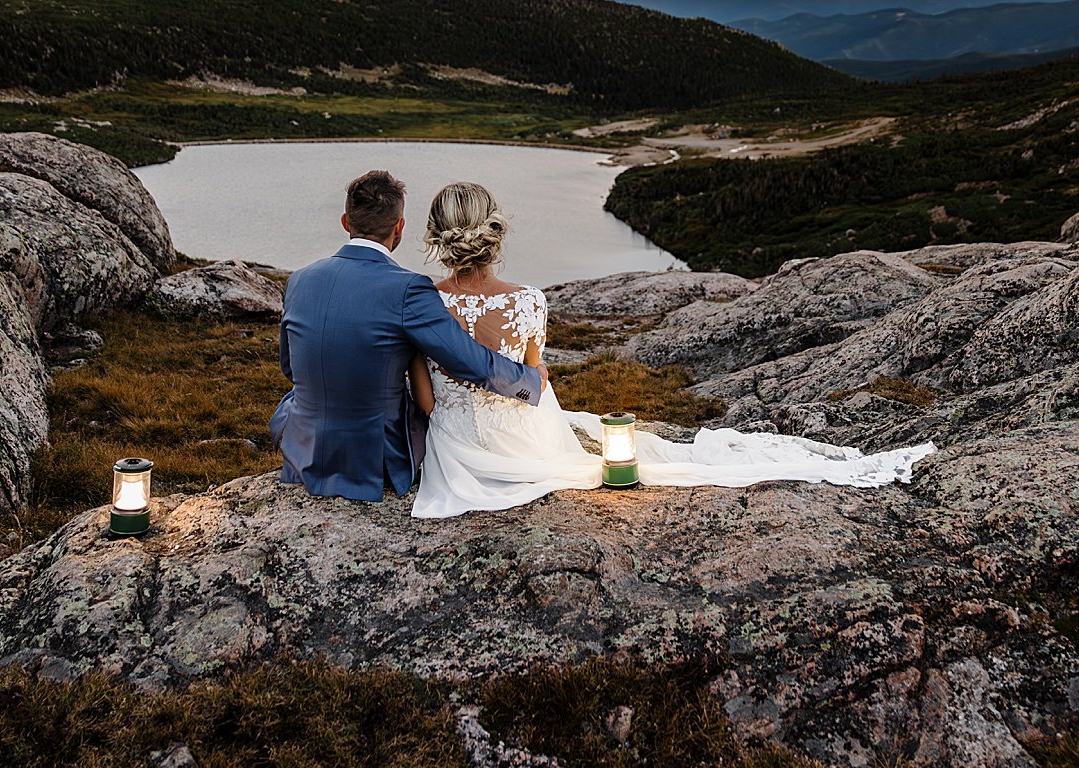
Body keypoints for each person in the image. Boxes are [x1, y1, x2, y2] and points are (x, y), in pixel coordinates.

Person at [410, 181, 935, 519]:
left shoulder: (421, 303)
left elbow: (428, 403)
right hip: (524, 435)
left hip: (457, 454)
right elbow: (529, 379)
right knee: (553, 397)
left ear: (438, 238)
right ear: (494, 232)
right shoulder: (528, 301)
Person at [268, 170, 546, 502]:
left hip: (303, 445)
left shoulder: (300, 279)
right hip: (375, 460)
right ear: (399, 227)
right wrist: (530, 379)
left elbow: (290, 368)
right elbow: (471, 362)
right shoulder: (407, 288)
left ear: (346, 221)